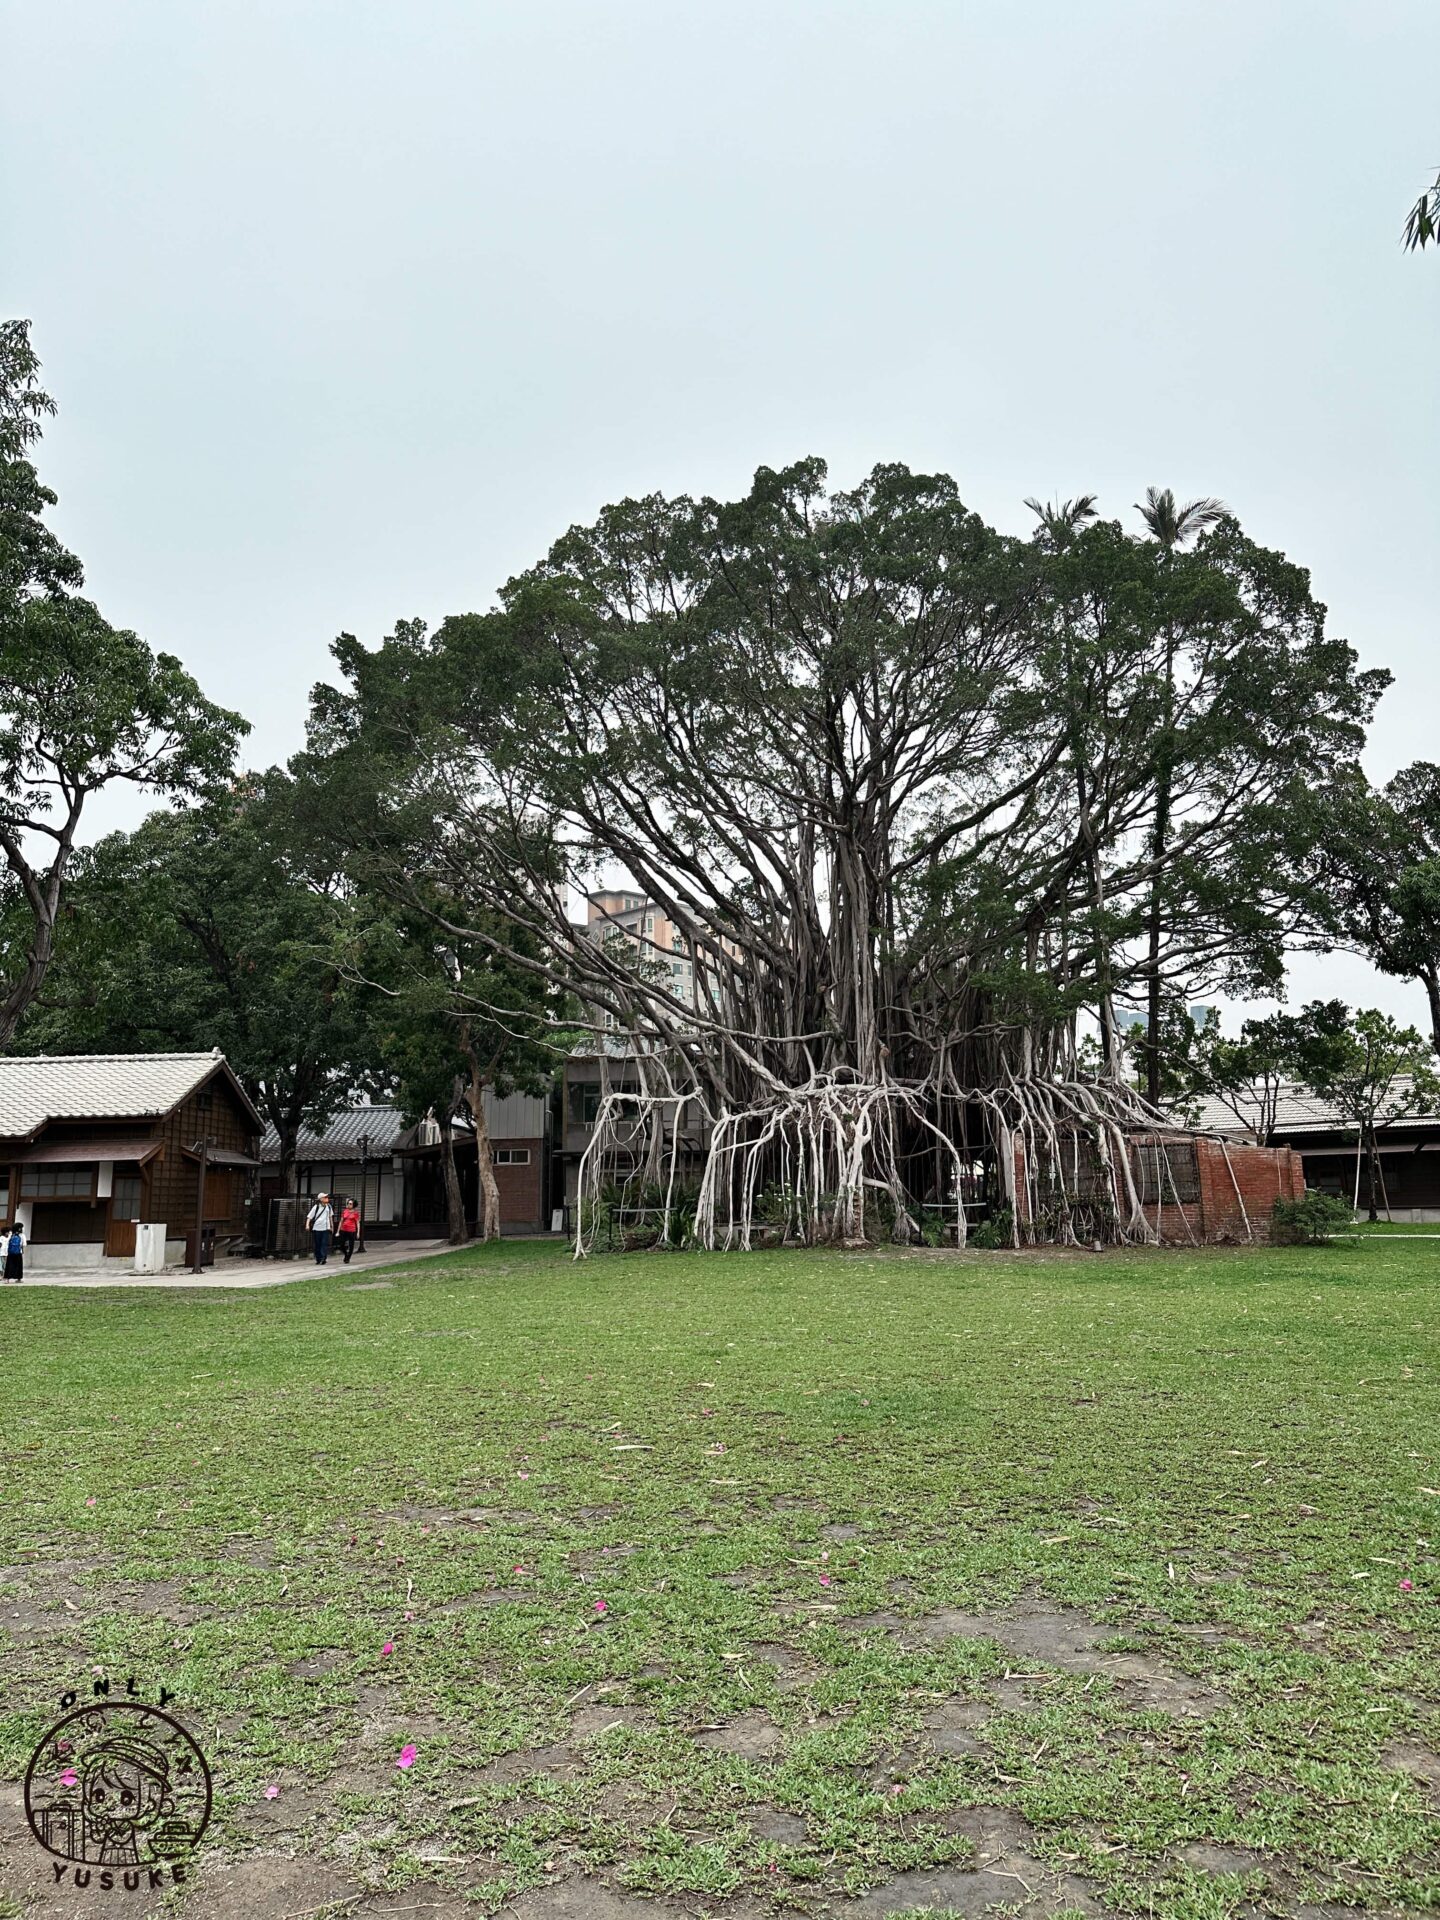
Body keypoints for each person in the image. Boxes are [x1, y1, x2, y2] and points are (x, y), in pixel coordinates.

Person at [305, 1193, 334, 1265]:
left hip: (325, 1228)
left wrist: (331, 1226)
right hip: (317, 1228)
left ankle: (323, 1258)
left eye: (327, 1197)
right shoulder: (316, 1207)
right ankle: (318, 1258)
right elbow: (309, 1217)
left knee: (324, 1243)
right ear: (321, 1199)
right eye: (325, 1197)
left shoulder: (329, 1207)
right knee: (317, 1244)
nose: (327, 1198)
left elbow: (330, 1217)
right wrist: (307, 1225)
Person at [336, 1196, 360, 1264]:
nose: (349, 1205)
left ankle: (348, 1257)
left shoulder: (355, 1213)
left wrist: (358, 1232)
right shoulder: (345, 1211)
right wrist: (338, 1231)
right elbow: (341, 1221)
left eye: (350, 1204)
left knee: (351, 1244)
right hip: (343, 1229)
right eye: (348, 1203)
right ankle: (346, 1254)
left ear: (353, 1205)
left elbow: (357, 1222)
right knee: (341, 1244)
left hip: (351, 1230)